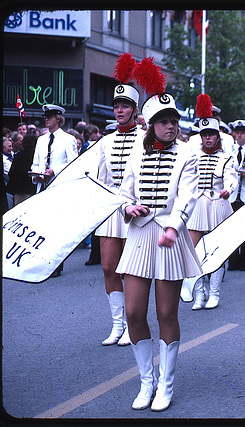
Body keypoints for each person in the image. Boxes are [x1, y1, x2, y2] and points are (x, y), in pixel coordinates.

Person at [116, 60, 201, 411]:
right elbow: (123, 192)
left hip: (169, 235)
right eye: (164, 122)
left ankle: (165, 384)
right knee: (134, 313)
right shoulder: (137, 154)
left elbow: (188, 196)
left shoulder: (188, 155)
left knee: (167, 313)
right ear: (151, 126)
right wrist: (127, 208)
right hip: (138, 236)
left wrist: (173, 226)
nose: (171, 126)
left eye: (174, 121)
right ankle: (146, 382)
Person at [94, 55, 143, 346]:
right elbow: (99, 178)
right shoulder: (105, 141)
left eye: (125, 106)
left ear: (135, 110)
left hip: (135, 209)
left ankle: (132, 324)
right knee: (109, 267)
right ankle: (117, 323)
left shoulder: (146, 137)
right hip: (111, 210)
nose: (120, 110)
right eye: (116, 106)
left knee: (131, 270)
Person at [187, 94, 238, 310]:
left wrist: (229, 189)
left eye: (212, 135)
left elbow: (232, 178)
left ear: (218, 137)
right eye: (205, 135)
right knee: (194, 250)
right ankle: (200, 292)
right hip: (198, 204)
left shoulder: (226, 157)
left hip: (218, 204)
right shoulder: (193, 156)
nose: (208, 139)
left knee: (217, 250)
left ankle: (214, 293)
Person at [30, 104, 78, 278]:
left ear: (58, 118)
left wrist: (54, 171)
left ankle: (56, 264)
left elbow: (74, 165)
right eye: (45, 116)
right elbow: (36, 163)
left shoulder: (68, 139)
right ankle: (44, 262)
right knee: (43, 228)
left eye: (50, 116)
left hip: (59, 189)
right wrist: (36, 174)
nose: (46, 119)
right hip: (42, 188)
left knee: (57, 229)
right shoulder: (41, 140)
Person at [227, 120, 245, 272]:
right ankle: (233, 261)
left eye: (242, 133)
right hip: (233, 194)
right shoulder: (230, 151)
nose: (239, 136)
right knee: (232, 230)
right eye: (237, 133)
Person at [6, 133, 37, 206]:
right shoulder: (37, 157)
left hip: (20, 190)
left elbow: (11, 173)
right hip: (34, 190)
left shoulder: (18, 156)